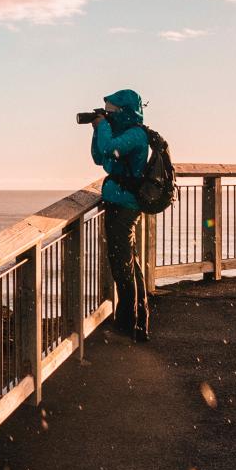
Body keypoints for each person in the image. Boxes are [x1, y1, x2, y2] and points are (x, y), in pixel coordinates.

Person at [90, 89, 151, 342]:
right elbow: (98, 157)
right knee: (129, 263)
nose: (107, 114)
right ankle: (138, 323)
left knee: (122, 266)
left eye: (111, 110)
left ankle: (128, 327)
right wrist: (97, 129)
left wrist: (102, 128)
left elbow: (110, 149)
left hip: (125, 206)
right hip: (119, 203)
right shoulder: (121, 133)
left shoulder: (135, 134)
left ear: (124, 111)